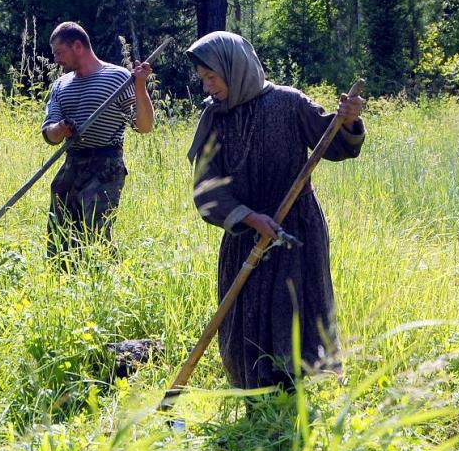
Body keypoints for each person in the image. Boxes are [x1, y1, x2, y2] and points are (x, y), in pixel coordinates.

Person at [186, 31, 366, 390]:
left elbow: (332, 142)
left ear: (233, 69)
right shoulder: (214, 118)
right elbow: (205, 189)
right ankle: (254, 393)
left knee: (295, 310)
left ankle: (297, 396)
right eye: (203, 79)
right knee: (245, 315)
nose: (208, 87)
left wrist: (346, 121)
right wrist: (248, 217)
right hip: (244, 231)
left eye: (212, 77)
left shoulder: (288, 103)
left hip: (295, 228)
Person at [41, 21, 154, 258]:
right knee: (59, 234)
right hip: (72, 164)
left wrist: (141, 85)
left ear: (78, 46)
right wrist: (60, 129)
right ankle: (61, 283)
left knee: (96, 236)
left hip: (106, 166)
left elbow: (143, 126)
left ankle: (105, 285)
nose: (56, 60)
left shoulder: (117, 78)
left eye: (60, 53)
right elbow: (49, 134)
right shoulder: (61, 86)